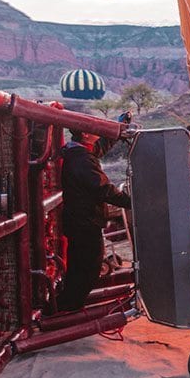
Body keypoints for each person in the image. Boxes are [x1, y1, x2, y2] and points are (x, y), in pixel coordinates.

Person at [56, 125, 132, 312]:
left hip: (80, 221)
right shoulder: (81, 159)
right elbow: (103, 189)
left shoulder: (78, 152)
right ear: (86, 134)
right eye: (95, 130)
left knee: (80, 267)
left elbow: (100, 147)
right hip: (84, 223)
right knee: (88, 269)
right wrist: (133, 202)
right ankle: (69, 309)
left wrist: (116, 129)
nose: (98, 133)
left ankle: (69, 304)